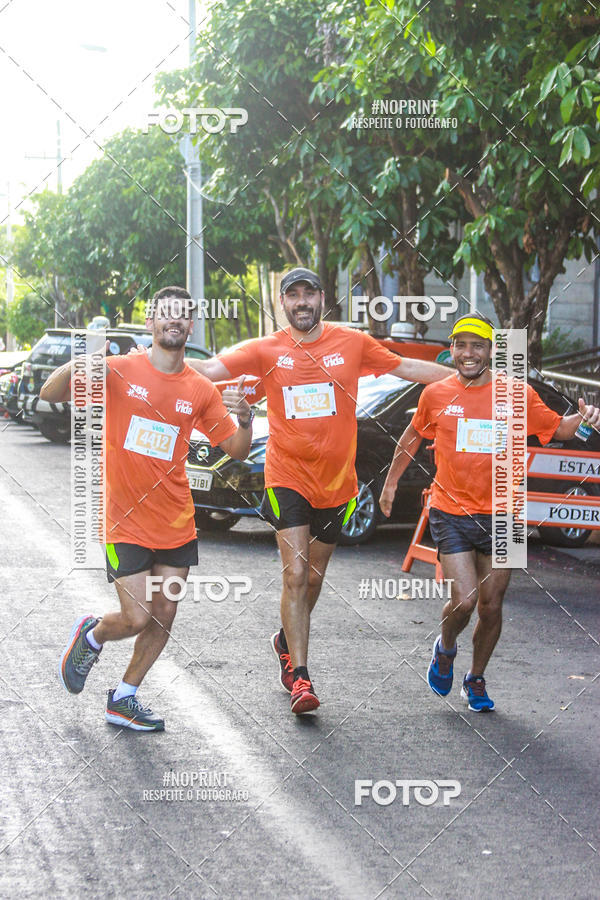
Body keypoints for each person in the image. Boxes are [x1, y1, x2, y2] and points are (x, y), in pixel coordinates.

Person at [185, 267, 449, 715]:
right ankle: (300, 678)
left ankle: (285, 640)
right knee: (294, 574)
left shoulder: (352, 343)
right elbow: (209, 368)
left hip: (338, 485)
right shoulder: (266, 348)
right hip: (286, 476)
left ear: (322, 298)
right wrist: (152, 358)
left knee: (313, 578)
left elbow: (405, 367)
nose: (302, 302)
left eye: (309, 293)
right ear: (282, 303)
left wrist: (465, 377)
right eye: (293, 295)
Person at [41, 287, 252, 731]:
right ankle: (93, 635)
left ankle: (124, 697)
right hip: (124, 520)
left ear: (191, 325)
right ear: (152, 321)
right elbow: (52, 392)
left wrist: (246, 420)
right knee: (136, 616)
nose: (174, 321)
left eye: (182, 315)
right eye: (165, 314)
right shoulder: (119, 370)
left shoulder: (199, 388)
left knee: (165, 614)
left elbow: (234, 448)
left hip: (176, 522)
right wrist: (82, 363)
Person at [379, 313, 600, 711]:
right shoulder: (436, 394)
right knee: (464, 601)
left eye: (477, 345)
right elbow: (412, 436)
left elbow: (560, 430)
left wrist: (585, 421)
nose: (468, 353)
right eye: (461, 345)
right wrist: (391, 483)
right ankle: (445, 648)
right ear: (451, 350)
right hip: (452, 511)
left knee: (491, 605)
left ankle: (475, 678)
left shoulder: (517, 395)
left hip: (506, 515)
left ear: (491, 352)